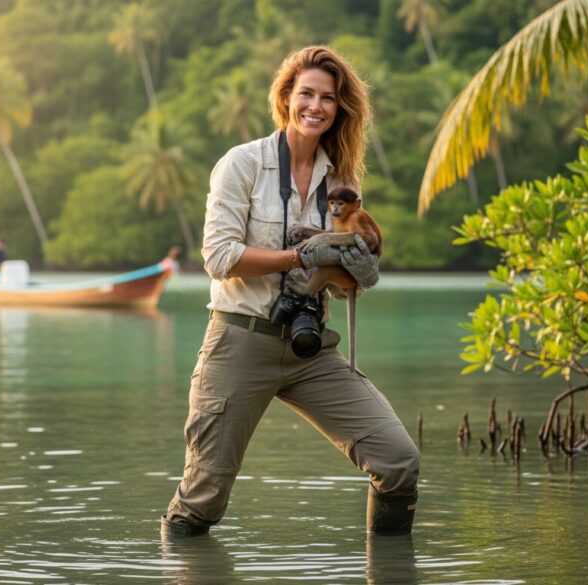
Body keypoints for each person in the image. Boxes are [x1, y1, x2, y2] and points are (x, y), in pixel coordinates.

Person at [162, 46, 420, 537]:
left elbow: (343, 288)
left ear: (339, 108)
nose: (316, 106)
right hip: (240, 340)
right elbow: (219, 258)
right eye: (307, 94)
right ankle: (181, 561)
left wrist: (360, 268)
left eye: (329, 98)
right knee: (202, 501)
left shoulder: (341, 180)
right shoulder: (242, 164)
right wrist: (301, 256)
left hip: (310, 345)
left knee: (398, 461)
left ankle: (390, 568)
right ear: (286, 98)